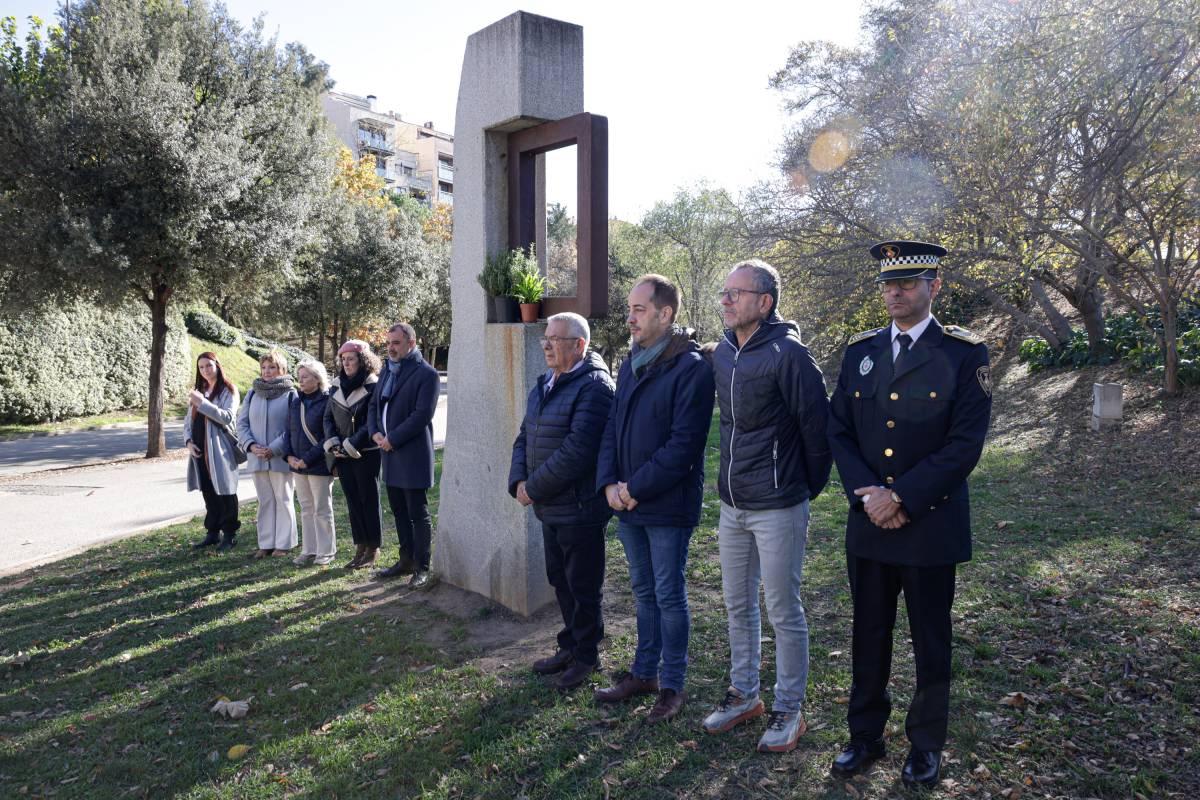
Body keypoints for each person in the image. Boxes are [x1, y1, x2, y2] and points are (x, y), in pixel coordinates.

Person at [827, 240, 992, 789]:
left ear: (934, 287)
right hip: (869, 524)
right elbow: (840, 432)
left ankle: (926, 744)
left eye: (908, 283)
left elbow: (965, 444)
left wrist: (900, 497)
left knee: (930, 639)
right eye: (888, 284)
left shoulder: (965, 354)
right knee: (868, 634)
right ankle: (864, 735)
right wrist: (868, 495)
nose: (895, 292)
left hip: (929, 524)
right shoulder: (861, 352)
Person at [701, 260, 832, 753]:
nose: (727, 300)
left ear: (765, 302)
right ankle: (744, 696)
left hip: (778, 505)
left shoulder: (790, 355)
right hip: (732, 505)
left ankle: (789, 708)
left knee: (782, 608)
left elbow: (817, 432)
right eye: (725, 292)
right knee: (737, 603)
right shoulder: (725, 353)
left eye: (737, 293)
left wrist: (801, 489)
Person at [594, 274, 716, 723]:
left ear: (666, 314)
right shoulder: (629, 363)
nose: (629, 317)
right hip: (626, 503)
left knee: (668, 593)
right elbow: (612, 428)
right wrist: (609, 483)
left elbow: (683, 447)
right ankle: (643, 673)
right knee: (643, 591)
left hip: (665, 504)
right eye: (629, 308)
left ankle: (672, 684)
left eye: (639, 310)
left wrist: (632, 488)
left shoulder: (691, 368)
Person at [509, 312, 615, 691]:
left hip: (579, 506)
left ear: (579, 345)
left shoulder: (595, 387)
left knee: (582, 584)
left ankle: (587, 656)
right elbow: (525, 434)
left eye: (555, 338)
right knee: (560, 579)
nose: (546, 344)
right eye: (546, 338)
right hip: (551, 505)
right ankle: (570, 645)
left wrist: (533, 487)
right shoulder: (545, 382)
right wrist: (518, 480)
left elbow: (578, 451)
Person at [369, 322, 440, 588]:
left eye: (396, 343)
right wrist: (375, 433)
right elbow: (375, 405)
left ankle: (422, 567)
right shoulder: (387, 369)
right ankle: (406, 559)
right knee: (398, 510)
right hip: (388, 452)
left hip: (411, 454)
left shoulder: (426, 374)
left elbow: (421, 415)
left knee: (416, 512)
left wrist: (392, 439)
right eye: (388, 343)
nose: (390, 348)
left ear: (411, 343)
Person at [323, 340, 383, 570]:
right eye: (343, 359)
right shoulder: (336, 385)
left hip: (365, 452)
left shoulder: (373, 385)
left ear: (362, 360)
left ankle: (373, 547)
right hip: (341, 452)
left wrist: (352, 442)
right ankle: (360, 545)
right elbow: (327, 417)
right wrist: (334, 441)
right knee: (352, 500)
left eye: (351, 359)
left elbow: (371, 421)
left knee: (369, 499)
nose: (346, 363)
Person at [236, 350, 298, 559]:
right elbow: (241, 423)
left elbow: (292, 427)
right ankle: (266, 543)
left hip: (279, 457)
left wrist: (274, 448)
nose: (267, 371)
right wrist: (251, 445)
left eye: (272, 367)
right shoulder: (253, 393)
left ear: (282, 369)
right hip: (257, 457)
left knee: (283, 498)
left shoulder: (290, 394)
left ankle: (284, 543)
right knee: (265, 500)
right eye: (264, 367)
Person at [185, 352, 242, 552]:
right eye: (201, 367)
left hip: (220, 449)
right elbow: (188, 421)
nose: (205, 370)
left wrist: (202, 403)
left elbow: (227, 417)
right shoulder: (199, 390)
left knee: (225, 490)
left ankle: (229, 534)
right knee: (208, 491)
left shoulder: (228, 389)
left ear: (217, 365)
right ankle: (212, 532)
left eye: (209, 365)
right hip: (199, 449)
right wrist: (188, 441)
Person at [281, 359, 336, 566]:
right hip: (297, 465)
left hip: (318, 465)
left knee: (322, 509)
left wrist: (307, 459)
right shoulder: (296, 402)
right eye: (300, 376)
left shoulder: (327, 401)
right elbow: (288, 432)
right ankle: (309, 550)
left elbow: (327, 436)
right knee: (306, 508)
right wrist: (289, 457)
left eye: (305, 377)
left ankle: (326, 551)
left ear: (317, 378)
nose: (300, 380)